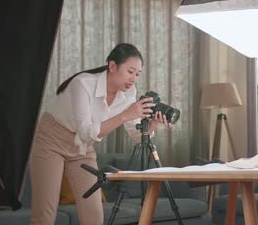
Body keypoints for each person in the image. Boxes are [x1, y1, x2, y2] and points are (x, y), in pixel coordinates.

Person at [29, 43, 171, 225]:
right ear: (112, 66)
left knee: (94, 215)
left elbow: (137, 135)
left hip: (82, 147)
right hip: (51, 140)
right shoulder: (82, 84)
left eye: (137, 74)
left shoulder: (129, 94)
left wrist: (153, 124)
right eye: (130, 71)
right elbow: (86, 131)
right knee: (45, 215)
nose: (133, 78)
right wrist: (125, 115)